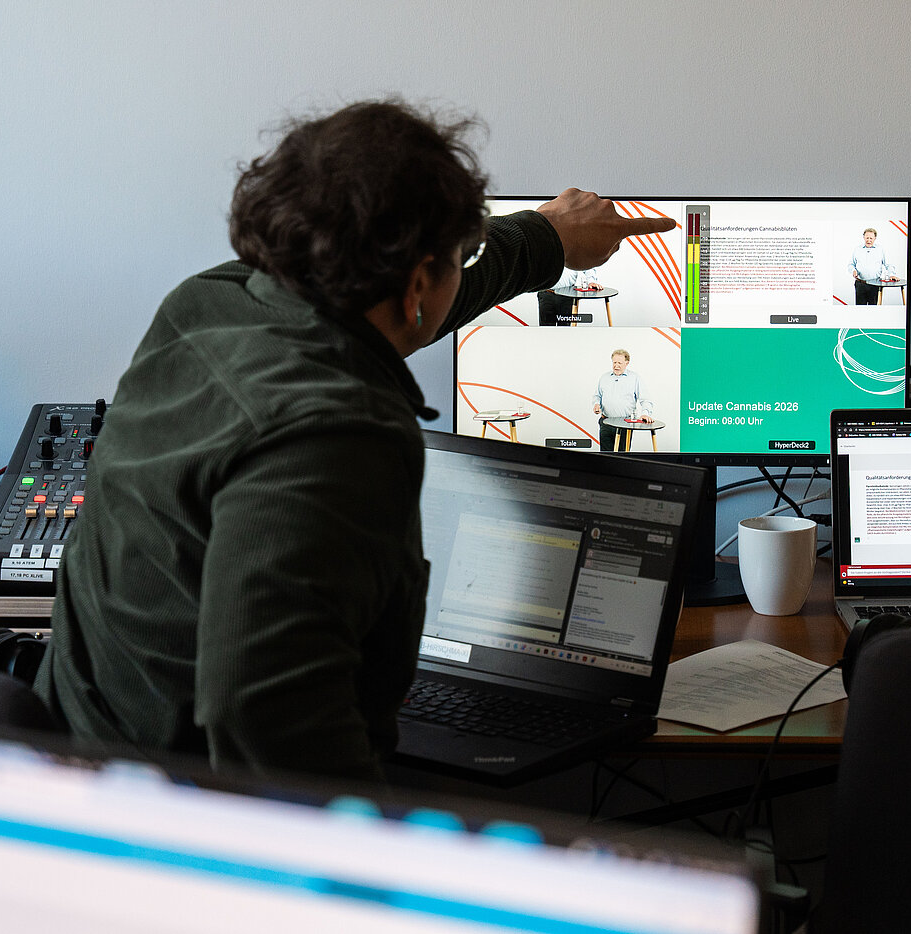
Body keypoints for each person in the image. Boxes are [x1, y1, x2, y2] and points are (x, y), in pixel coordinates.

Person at [34, 99, 674, 782]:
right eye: (459, 258)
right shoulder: (335, 433)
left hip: (76, 758)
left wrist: (545, 238)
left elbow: (405, 307)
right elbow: (269, 720)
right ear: (418, 280)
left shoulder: (210, 302)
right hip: (177, 821)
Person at [591, 348, 652, 451]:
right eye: (614, 362)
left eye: (619, 363)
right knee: (605, 456)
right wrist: (596, 404)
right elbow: (597, 396)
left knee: (622, 456)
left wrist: (645, 413)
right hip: (606, 422)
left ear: (627, 363)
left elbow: (645, 399)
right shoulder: (604, 377)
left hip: (625, 424)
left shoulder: (634, 378)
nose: (616, 366)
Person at [537, 267, 602, 325]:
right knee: (546, 330)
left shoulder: (575, 256)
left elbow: (587, 263)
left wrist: (591, 281)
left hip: (567, 295)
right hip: (546, 294)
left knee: (566, 330)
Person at [848, 227, 895, 305]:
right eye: (867, 238)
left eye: (871, 238)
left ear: (875, 238)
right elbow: (851, 264)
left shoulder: (880, 249)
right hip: (860, 284)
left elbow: (888, 264)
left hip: (875, 284)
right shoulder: (857, 249)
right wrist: (853, 270)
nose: (869, 240)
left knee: (874, 308)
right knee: (860, 309)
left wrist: (892, 274)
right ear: (863, 237)